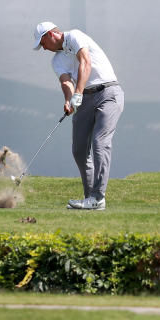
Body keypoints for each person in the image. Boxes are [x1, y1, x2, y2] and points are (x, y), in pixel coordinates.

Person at [31, 21, 124, 210]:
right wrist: (68, 100)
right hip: (85, 100)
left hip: (108, 93)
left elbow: (85, 62)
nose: (44, 48)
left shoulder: (74, 35)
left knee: (100, 142)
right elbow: (66, 82)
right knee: (79, 150)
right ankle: (90, 198)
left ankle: (98, 197)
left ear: (50, 34)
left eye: (43, 43)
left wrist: (78, 93)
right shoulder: (56, 61)